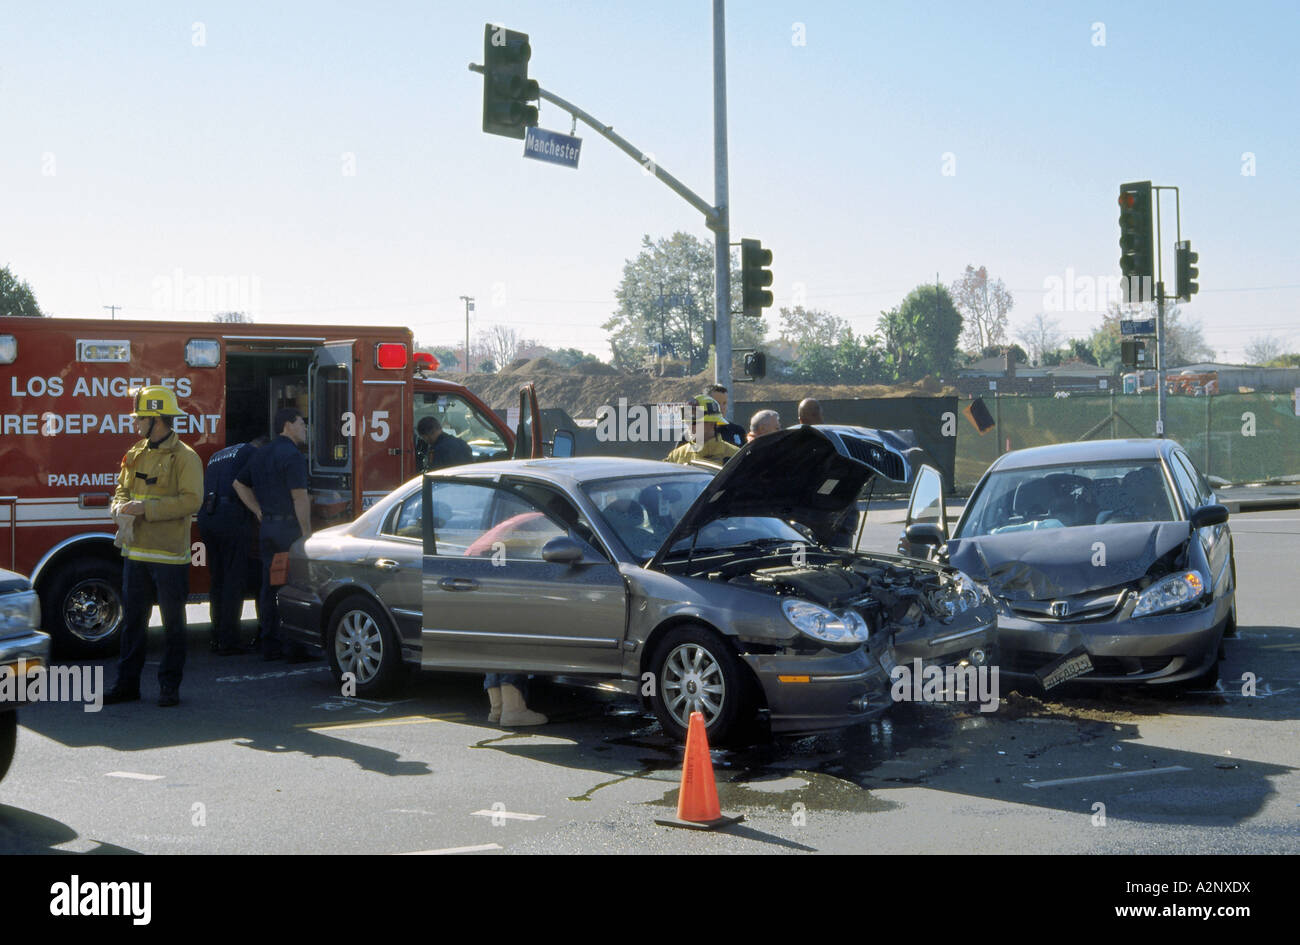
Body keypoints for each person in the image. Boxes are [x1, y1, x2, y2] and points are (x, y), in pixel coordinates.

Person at [103, 386, 204, 707]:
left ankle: (169, 686)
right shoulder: (135, 453)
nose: (135, 424)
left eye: (139, 419)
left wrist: (145, 509)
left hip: (169, 557)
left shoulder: (185, 458)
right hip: (136, 554)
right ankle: (126, 684)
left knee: (173, 626)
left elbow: (192, 501)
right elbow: (121, 490)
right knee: (133, 623)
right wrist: (119, 507)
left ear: (156, 420)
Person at [233, 408, 313, 662]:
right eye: (302, 423)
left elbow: (238, 483)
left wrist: (258, 511)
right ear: (288, 425)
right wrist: (307, 534)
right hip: (288, 530)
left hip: (267, 528)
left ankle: (270, 644)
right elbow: (299, 497)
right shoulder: (293, 455)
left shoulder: (262, 452)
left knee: (270, 587)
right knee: (293, 587)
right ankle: (294, 648)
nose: (305, 428)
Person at [198, 435, 266, 655]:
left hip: (207, 516)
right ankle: (230, 641)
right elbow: (251, 485)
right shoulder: (253, 453)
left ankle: (216, 636)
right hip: (231, 517)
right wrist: (259, 510)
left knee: (217, 579)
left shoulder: (220, 455)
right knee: (233, 580)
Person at [665, 395, 740, 465]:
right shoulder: (676, 456)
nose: (690, 425)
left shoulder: (735, 456)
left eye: (695, 421)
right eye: (688, 421)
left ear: (712, 422)